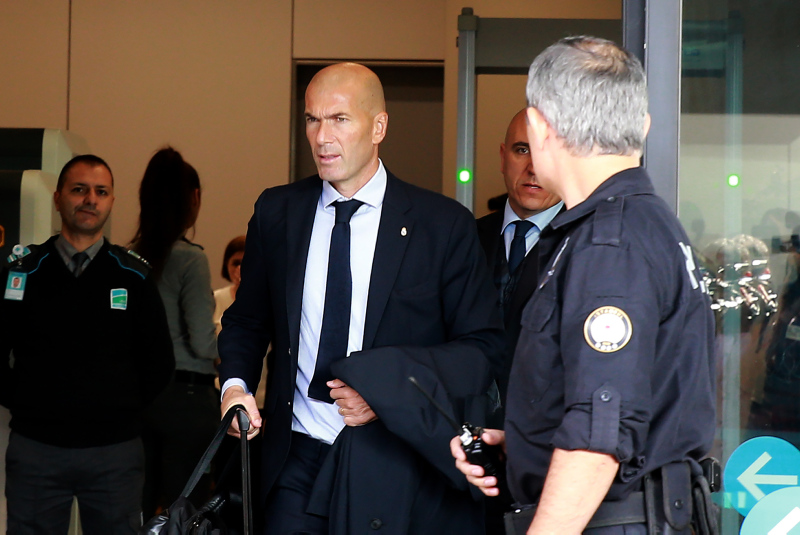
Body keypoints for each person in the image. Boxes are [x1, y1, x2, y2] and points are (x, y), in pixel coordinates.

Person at [217, 62, 504, 535]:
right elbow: (247, 320)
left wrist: (387, 393)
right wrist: (234, 387)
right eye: (312, 120)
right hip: (295, 455)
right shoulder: (278, 212)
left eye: (339, 119)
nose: (322, 137)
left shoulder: (441, 225)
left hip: (393, 462)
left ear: (378, 127)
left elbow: (481, 350)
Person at [452, 36, 716, 534]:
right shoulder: (649, 225)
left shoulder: (608, 245)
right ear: (642, 126)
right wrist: (526, 444)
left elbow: (600, 436)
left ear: (540, 127)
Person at [0, 154, 175, 534]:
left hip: (114, 452)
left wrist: (119, 407)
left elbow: (159, 362)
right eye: (79, 190)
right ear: (58, 197)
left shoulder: (132, 276)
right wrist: (27, 401)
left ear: (111, 201)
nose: (90, 199)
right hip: (37, 448)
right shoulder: (23, 273)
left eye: (101, 192)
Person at [476, 110, 563, 534]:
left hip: (544, 469)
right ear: (502, 156)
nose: (533, 167)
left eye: (546, 152)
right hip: (456, 468)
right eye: (521, 149)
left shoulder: (587, 246)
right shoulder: (463, 237)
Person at [130, 147, 219, 517]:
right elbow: (202, 342)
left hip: (138, 398)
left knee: (139, 508)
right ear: (193, 198)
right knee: (185, 512)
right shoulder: (191, 258)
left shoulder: (128, 257)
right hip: (187, 400)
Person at [213, 235, 246, 335]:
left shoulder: (270, 301)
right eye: (236, 263)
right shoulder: (215, 299)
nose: (240, 269)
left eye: (246, 263)